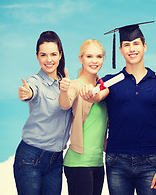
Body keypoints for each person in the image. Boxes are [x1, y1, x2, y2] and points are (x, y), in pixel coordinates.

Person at [80, 21, 156, 195]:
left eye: (136, 44)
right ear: (120, 50)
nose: (132, 49)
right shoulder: (111, 80)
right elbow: (98, 94)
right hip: (117, 161)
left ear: (145, 46)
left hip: (151, 162)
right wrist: (91, 95)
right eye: (126, 45)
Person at [14, 31, 72, 195]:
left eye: (53, 54)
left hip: (55, 161)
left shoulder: (65, 84)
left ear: (60, 55)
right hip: (30, 157)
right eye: (43, 55)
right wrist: (26, 93)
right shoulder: (35, 81)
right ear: (37, 57)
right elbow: (31, 91)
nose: (49, 60)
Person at [58, 39, 108, 195]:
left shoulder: (104, 87)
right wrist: (64, 90)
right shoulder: (74, 85)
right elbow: (65, 104)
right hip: (78, 163)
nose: (94, 61)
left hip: (98, 163)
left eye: (99, 56)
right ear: (80, 59)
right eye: (89, 56)